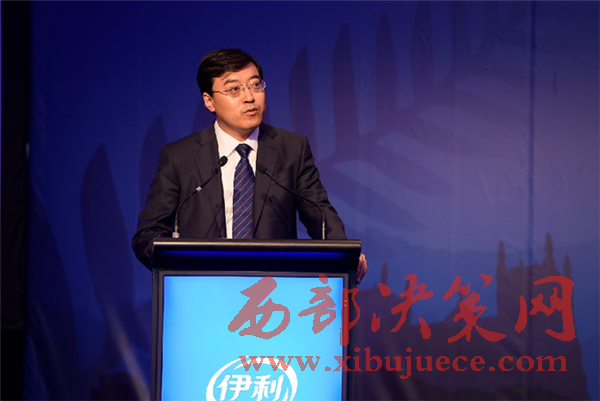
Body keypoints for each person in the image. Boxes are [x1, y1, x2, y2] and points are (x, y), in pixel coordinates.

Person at [132, 48, 367, 282]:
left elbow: (319, 214)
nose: (250, 97)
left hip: (273, 291)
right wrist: (180, 272)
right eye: (234, 89)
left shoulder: (291, 149)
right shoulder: (180, 157)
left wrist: (344, 254)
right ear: (209, 101)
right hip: (203, 289)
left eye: (255, 85)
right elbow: (148, 235)